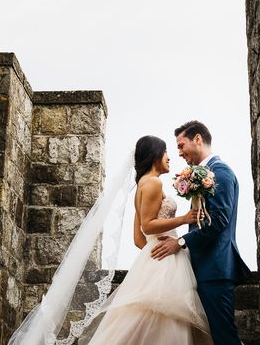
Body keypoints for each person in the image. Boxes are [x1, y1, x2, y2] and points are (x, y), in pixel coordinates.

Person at [81, 135, 213, 345]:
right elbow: (148, 225)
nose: (170, 157)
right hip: (166, 259)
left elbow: (137, 238)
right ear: (155, 155)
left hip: (156, 256)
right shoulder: (153, 183)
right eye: (166, 152)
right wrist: (184, 219)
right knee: (168, 318)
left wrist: (152, 252)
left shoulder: (141, 185)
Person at [150, 121, 251, 345]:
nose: (179, 153)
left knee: (224, 338)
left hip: (215, 270)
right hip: (202, 270)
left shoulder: (220, 173)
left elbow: (218, 222)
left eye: (181, 145)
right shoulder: (203, 174)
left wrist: (181, 242)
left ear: (198, 139)